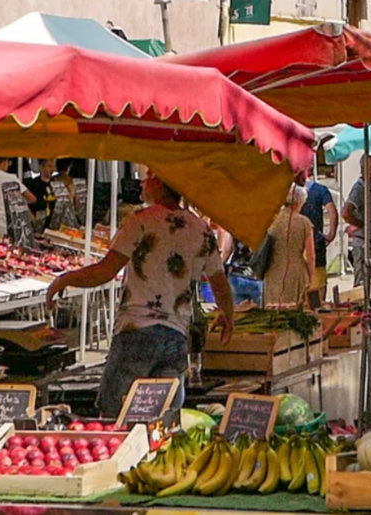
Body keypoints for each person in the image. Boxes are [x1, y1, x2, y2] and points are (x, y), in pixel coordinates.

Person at [46, 175, 235, 418]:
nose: (143, 182)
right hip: (176, 336)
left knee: (117, 415)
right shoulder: (201, 229)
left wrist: (64, 279)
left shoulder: (140, 221)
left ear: (159, 183)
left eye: (149, 177)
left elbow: (106, 270)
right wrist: (228, 315)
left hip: (136, 333)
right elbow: (219, 282)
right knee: (165, 418)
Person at [263, 185, 316, 307]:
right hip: (296, 272)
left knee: (273, 309)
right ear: (300, 201)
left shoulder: (271, 220)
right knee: (294, 308)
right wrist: (311, 277)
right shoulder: (304, 223)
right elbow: (311, 255)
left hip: (272, 271)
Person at [298, 171, 336, 304]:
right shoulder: (320, 190)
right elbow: (332, 211)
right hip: (316, 242)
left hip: (298, 244)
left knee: (301, 285)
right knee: (319, 282)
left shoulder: (291, 191)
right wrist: (331, 234)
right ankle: (319, 309)